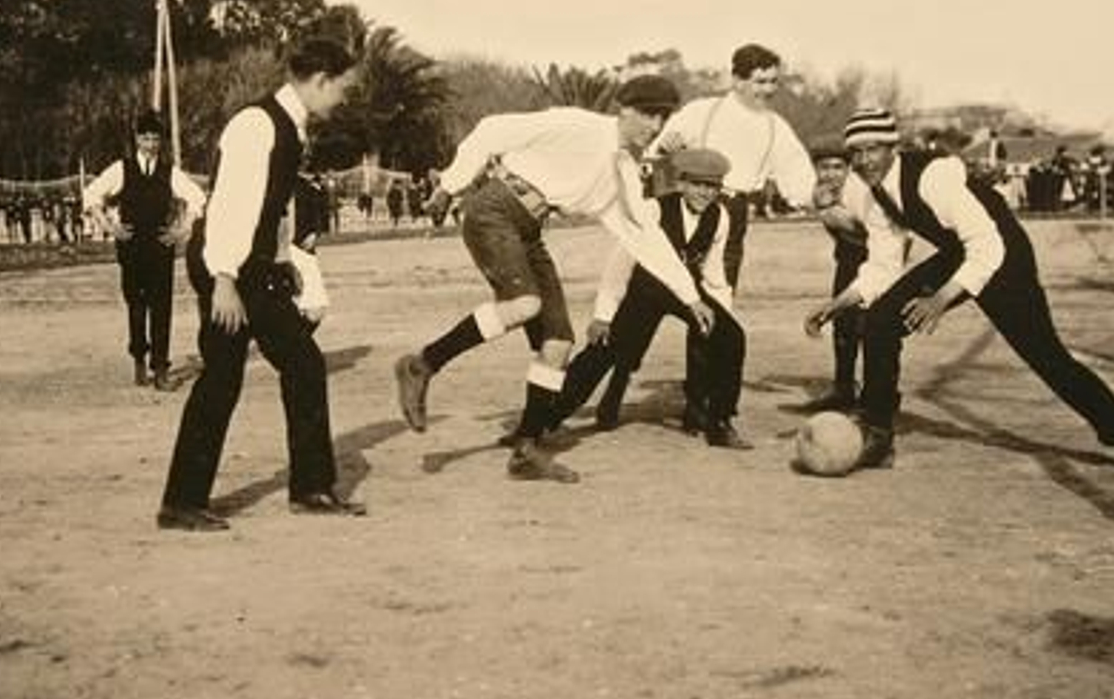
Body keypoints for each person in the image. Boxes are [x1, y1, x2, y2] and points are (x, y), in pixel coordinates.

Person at [808, 108, 1114, 488]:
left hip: (1003, 254)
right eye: (857, 153)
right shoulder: (872, 191)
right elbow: (883, 265)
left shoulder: (934, 175)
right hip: (959, 253)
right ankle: (878, 433)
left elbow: (986, 246)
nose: (865, 161)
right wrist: (838, 304)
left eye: (873, 149)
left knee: (1049, 359)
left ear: (892, 147)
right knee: (880, 320)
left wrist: (941, 299)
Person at [393, 75, 713, 484]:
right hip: (495, 209)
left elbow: (644, 237)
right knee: (526, 304)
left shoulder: (625, 171)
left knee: (558, 343)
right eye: (649, 114)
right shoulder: (577, 124)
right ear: (625, 109)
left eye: (663, 118)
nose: (654, 127)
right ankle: (422, 364)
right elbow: (492, 130)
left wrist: (689, 296)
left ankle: (527, 449)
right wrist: (450, 186)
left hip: (528, 229)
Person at [158, 39, 364, 531]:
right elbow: (232, 206)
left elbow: (269, 211)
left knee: (304, 364)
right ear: (319, 80)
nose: (343, 99)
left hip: (254, 269)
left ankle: (312, 488)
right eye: (342, 88)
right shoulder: (256, 125)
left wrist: (281, 262)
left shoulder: (291, 125)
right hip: (224, 266)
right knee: (222, 377)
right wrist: (223, 280)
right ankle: (181, 502)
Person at [547, 148, 749, 447]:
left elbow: (714, 271)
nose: (704, 193)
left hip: (688, 291)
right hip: (645, 288)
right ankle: (546, 418)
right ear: (680, 183)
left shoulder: (720, 217)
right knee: (605, 348)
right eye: (697, 184)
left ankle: (718, 420)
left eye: (712, 187)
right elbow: (619, 265)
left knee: (731, 336)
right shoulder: (652, 209)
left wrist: (721, 315)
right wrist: (603, 315)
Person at [649, 43, 816, 290]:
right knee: (653, 292)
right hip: (686, 207)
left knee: (720, 301)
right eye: (760, 82)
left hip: (733, 213)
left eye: (773, 82)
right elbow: (654, 159)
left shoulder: (775, 127)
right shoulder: (702, 112)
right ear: (737, 80)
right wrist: (664, 151)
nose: (768, 90)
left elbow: (800, 177)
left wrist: (817, 197)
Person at [82, 109, 208, 391]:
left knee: (161, 308)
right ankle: (139, 359)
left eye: (155, 139)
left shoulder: (169, 172)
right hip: (131, 247)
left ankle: (160, 368)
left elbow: (197, 198)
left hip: (160, 247)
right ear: (137, 139)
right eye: (146, 138)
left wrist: (181, 229)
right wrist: (109, 227)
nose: (151, 144)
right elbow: (91, 195)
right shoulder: (121, 169)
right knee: (136, 307)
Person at [802, 133, 875, 412]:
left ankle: (873, 396)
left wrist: (830, 210)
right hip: (848, 258)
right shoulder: (820, 190)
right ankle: (843, 389)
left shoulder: (859, 190)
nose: (830, 173)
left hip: (875, 260)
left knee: (869, 326)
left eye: (837, 167)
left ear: (848, 168)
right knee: (843, 325)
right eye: (824, 167)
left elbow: (868, 232)